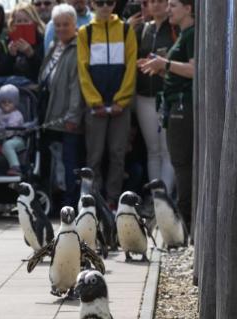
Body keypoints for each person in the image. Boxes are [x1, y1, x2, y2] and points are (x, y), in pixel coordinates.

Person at [139, 0, 194, 227]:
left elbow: (193, 70)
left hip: (182, 106)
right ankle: (168, 210)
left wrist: (164, 63)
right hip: (170, 103)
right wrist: (161, 68)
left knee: (178, 161)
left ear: (188, 8)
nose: (168, 9)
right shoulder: (182, 33)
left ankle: (181, 219)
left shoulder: (190, 34)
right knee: (167, 156)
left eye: (173, 5)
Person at [77, 0, 137, 208]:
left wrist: (122, 100)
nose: (104, 6)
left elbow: (131, 66)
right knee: (94, 155)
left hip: (121, 104)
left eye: (109, 2)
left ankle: (113, 200)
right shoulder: (85, 32)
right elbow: (83, 70)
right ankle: (93, 200)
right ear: (92, 4)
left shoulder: (126, 29)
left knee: (117, 154)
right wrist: (95, 102)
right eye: (99, 2)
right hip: (96, 105)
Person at [39, 3, 85, 208]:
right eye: (57, 25)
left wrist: (73, 116)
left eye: (65, 24)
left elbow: (77, 85)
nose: (61, 29)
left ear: (74, 24)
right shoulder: (54, 46)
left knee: (70, 162)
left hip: (67, 117)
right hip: (51, 113)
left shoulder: (77, 48)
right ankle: (57, 202)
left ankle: (71, 203)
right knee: (54, 162)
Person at [134, 0, 175, 193]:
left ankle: (165, 199)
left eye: (161, 1)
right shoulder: (142, 29)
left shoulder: (175, 29)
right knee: (153, 151)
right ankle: (155, 199)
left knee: (168, 150)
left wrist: (162, 66)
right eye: (152, 2)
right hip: (144, 97)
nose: (156, 5)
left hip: (167, 96)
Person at [0, 2, 45, 83]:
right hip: (12, 85)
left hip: (33, 87)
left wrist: (31, 55)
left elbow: (42, 72)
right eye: (19, 21)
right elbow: (0, 72)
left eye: (26, 21)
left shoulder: (41, 40)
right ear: (13, 24)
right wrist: (10, 56)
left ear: (34, 22)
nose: (22, 24)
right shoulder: (7, 41)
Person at [0, 84, 27, 176]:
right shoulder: (1, 113)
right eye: (3, 102)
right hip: (4, 139)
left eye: (9, 102)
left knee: (7, 145)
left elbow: (10, 128)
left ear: (15, 102)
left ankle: (15, 167)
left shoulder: (16, 115)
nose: (6, 104)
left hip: (17, 140)